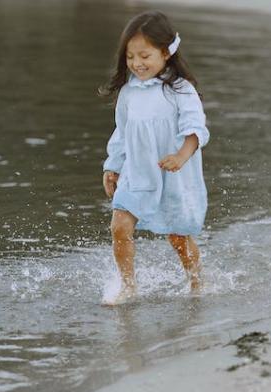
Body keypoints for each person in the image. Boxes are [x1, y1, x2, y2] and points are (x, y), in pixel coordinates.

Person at [98, 10, 210, 305]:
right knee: (119, 227)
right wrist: (112, 166)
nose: (137, 63)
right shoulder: (128, 92)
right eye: (130, 57)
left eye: (145, 56)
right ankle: (128, 286)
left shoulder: (180, 90)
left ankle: (197, 283)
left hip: (174, 173)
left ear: (166, 53)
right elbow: (122, 132)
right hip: (137, 172)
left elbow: (196, 129)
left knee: (178, 237)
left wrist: (181, 156)